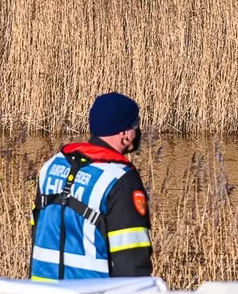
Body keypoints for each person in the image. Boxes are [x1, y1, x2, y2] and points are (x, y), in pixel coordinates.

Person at [29, 92, 153, 281]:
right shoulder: (120, 179)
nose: (138, 131)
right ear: (124, 134)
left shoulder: (52, 165)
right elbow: (131, 259)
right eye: (136, 125)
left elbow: (36, 228)